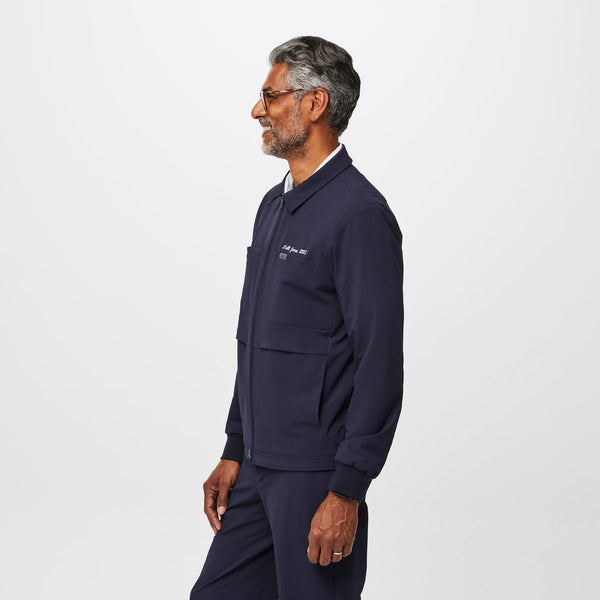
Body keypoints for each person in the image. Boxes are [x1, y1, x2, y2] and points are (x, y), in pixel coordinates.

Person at [190, 36, 404, 600]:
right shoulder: (274, 205)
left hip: (316, 478)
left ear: (314, 104)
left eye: (270, 96)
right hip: (256, 468)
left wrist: (347, 489)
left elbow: (379, 360)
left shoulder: (359, 216)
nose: (256, 110)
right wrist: (235, 446)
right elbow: (256, 340)